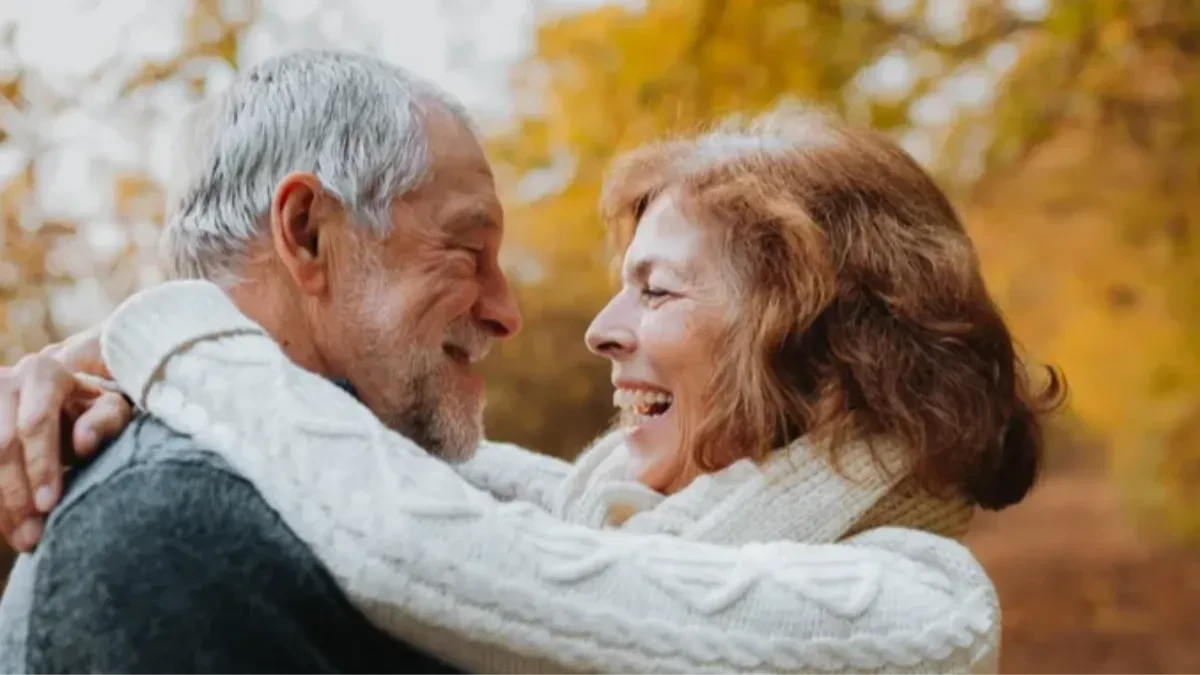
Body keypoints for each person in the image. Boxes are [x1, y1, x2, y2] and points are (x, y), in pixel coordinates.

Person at [1, 65, 1065, 675]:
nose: (594, 329)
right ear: (308, 236)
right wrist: (123, 363)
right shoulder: (642, 531)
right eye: (466, 251)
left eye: (657, 290)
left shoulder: (917, 607)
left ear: (827, 350)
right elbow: (477, 493)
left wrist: (179, 338)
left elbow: (437, 545)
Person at [0, 49, 513, 674]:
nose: (506, 312)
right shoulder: (171, 532)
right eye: (467, 251)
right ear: (307, 232)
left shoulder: (354, 514)